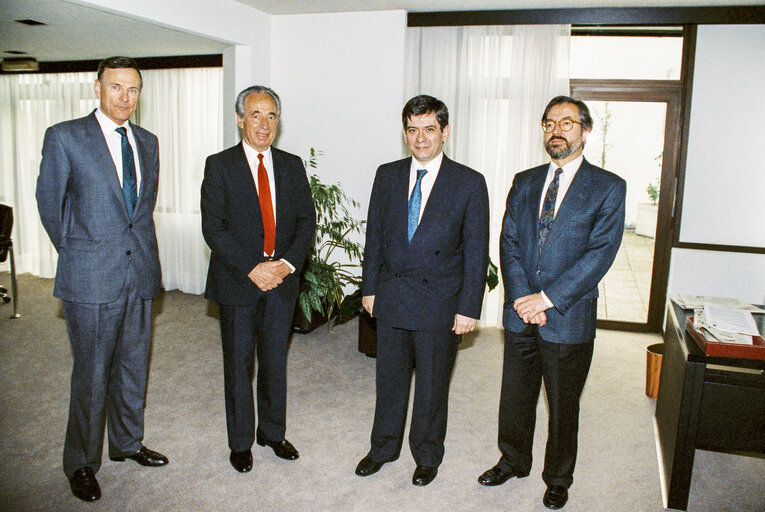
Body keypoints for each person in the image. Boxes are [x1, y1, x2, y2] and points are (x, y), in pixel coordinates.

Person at [478, 96, 626, 509]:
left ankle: (558, 476)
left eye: (567, 123)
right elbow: (508, 241)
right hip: (521, 310)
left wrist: (546, 299)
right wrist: (524, 298)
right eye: (549, 124)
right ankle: (513, 460)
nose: (556, 131)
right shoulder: (524, 181)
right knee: (516, 395)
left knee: (563, 403)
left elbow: (600, 253)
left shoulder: (608, 187)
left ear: (586, 130)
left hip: (567, 314)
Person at [36, 56, 168, 503]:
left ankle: (127, 443)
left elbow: (140, 210)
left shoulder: (147, 141)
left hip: (140, 273)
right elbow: (50, 206)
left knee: (133, 366)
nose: (125, 98)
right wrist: (79, 255)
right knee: (91, 375)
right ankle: (81, 462)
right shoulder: (65, 137)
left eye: (132, 89)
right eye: (116, 87)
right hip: (90, 277)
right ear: (97, 88)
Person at [356, 95, 489, 487]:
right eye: (412, 130)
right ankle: (382, 448)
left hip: (440, 302)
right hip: (393, 295)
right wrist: (369, 288)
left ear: (445, 132)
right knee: (389, 380)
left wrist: (469, 308)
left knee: (432, 385)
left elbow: (476, 252)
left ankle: (427, 455)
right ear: (404, 133)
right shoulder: (387, 174)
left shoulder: (468, 182)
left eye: (429, 129)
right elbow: (374, 237)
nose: (420, 138)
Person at [201, 86, 315, 474]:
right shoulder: (219, 165)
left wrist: (283, 265)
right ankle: (240, 442)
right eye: (255, 115)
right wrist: (254, 267)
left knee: (273, 362)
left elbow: (305, 223)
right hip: (238, 280)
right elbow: (214, 229)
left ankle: (272, 432)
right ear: (239, 119)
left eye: (271, 116)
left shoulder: (291, 164)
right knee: (237, 364)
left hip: (281, 281)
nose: (263, 124)